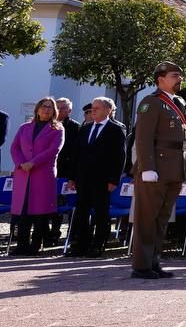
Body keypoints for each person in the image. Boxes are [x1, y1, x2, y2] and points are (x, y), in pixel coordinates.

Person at [132, 62, 186, 279]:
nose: (179, 79)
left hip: (174, 167)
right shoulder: (152, 102)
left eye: (180, 76)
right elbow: (143, 138)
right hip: (156, 166)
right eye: (174, 76)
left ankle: (153, 261)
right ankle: (141, 265)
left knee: (162, 218)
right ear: (160, 79)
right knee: (147, 217)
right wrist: (147, 167)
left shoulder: (179, 101)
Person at [66, 97, 126, 257]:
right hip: (83, 178)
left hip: (103, 179)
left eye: (97, 108)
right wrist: (72, 177)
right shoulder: (85, 129)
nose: (93, 110)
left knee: (100, 213)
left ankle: (98, 245)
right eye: (93, 108)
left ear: (108, 110)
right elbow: (76, 154)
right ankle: (80, 245)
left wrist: (114, 180)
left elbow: (119, 157)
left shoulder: (115, 130)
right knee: (81, 212)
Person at [8, 97, 64, 255]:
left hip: (42, 174)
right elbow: (14, 148)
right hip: (23, 174)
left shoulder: (57, 129)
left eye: (50, 107)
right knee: (23, 211)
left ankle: (35, 245)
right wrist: (21, 164)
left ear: (54, 111)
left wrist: (33, 163)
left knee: (40, 211)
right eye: (44, 106)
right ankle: (21, 245)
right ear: (37, 109)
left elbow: (53, 150)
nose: (47, 109)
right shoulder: (24, 127)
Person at [50, 98, 80, 247]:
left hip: (67, 172)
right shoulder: (48, 124)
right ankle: (48, 234)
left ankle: (64, 234)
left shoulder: (75, 127)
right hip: (50, 170)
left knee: (65, 204)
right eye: (58, 108)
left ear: (69, 110)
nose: (60, 111)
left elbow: (76, 152)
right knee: (51, 204)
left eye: (63, 108)